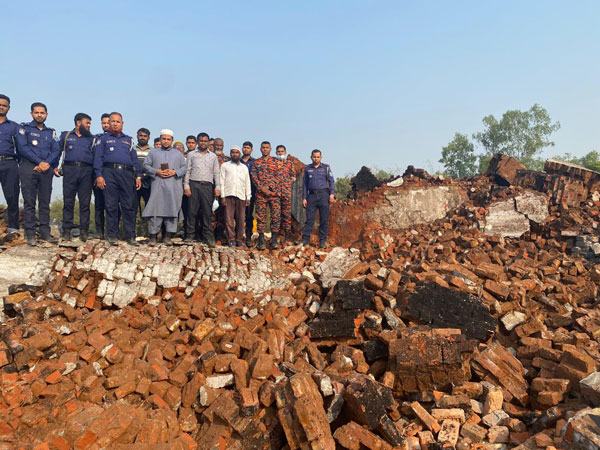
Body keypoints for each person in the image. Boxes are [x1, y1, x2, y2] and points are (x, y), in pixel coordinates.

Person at [16, 102, 61, 246]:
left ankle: (45, 233)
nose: (39, 115)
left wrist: (46, 163)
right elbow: (22, 148)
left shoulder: (51, 132)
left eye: (42, 113)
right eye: (36, 112)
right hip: (29, 167)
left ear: (46, 115)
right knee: (29, 202)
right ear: (31, 114)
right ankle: (30, 234)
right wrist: (38, 162)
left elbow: (56, 150)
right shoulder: (24, 128)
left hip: (46, 169)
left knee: (44, 202)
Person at [93, 112, 142, 246]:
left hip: (127, 175)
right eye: (112, 121)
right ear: (108, 123)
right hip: (109, 173)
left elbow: (135, 160)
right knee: (111, 205)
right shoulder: (102, 139)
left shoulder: (129, 140)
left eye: (118, 121)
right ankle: (112, 235)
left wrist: (138, 175)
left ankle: (130, 236)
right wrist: (99, 175)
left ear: (122, 123)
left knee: (128, 206)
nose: (115, 124)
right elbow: (98, 159)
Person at [142, 129, 187, 246]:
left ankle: (168, 236)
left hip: (173, 187)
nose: (166, 141)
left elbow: (184, 168)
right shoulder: (153, 153)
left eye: (168, 139)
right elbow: (146, 165)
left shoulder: (178, 154)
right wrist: (156, 171)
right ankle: (153, 237)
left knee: (172, 210)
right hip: (157, 186)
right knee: (155, 210)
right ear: (160, 139)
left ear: (172, 140)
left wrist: (174, 172)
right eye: (164, 139)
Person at [55, 113, 95, 242]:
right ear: (78, 123)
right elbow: (57, 152)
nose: (89, 125)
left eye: (89, 123)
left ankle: (84, 231)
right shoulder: (66, 136)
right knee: (68, 202)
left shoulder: (92, 139)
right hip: (70, 170)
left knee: (85, 204)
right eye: (87, 123)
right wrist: (54, 167)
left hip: (86, 171)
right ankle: (67, 230)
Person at [184, 132, 220, 247]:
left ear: (208, 142)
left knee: (207, 212)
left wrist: (218, 187)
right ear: (198, 142)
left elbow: (216, 173)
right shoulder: (191, 155)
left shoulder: (213, 156)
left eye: (205, 141)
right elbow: (187, 171)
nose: (203, 143)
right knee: (192, 211)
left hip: (207, 186)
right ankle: (190, 235)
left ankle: (208, 236)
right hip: (194, 184)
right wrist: (186, 186)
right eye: (201, 141)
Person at [301, 149, 335, 248]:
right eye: (314, 157)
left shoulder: (326, 168)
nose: (316, 158)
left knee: (324, 219)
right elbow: (305, 185)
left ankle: (322, 241)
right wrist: (304, 198)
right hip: (311, 196)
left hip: (323, 195)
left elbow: (331, 181)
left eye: (318, 157)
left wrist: (332, 194)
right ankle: (305, 240)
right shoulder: (307, 169)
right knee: (309, 219)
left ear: (321, 158)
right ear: (311, 157)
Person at [250, 141, 280, 250]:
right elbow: (253, 176)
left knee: (275, 216)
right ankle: (261, 239)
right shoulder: (256, 162)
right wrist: (262, 188)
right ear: (260, 149)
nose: (265, 149)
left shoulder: (276, 162)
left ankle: (274, 239)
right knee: (261, 216)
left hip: (273, 193)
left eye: (267, 147)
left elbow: (279, 176)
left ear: (270, 149)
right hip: (261, 194)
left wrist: (269, 187)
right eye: (263, 147)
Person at [220, 146, 251, 247]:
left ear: (239, 154)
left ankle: (239, 240)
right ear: (230, 154)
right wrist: (223, 196)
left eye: (237, 152)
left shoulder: (244, 167)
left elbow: (247, 182)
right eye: (233, 152)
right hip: (228, 195)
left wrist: (248, 197)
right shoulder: (225, 166)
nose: (235, 154)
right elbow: (221, 181)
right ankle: (231, 239)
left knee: (241, 219)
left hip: (241, 196)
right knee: (228, 219)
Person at [0, 94, 20, 239]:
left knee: (12, 195)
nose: (1, 107)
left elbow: (21, 148)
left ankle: (13, 227)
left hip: (9, 163)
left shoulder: (14, 127)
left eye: (4, 105)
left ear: (9, 108)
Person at [275, 145, 296, 244]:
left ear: (285, 152)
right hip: (275, 193)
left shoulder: (289, 163)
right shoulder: (273, 163)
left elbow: (293, 176)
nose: (280, 153)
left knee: (287, 215)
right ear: (276, 153)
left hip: (286, 193)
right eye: (278, 152)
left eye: (282, 151)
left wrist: (287, 183)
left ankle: (287, 236)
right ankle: (276, 236)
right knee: (276, 215)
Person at [94, 113, 110, 238]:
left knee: (113, 206)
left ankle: (113, 232)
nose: (105, 125)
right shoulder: (96, 139)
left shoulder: (122, 139)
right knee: (99, 205)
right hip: (98, 175)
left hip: (113, 176)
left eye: (108, 123)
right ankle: (99, 232)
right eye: (103, 123)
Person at [135, 128, 152, 222]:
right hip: (134, 182)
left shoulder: (153, 151)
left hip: (148, 183)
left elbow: (154, 166)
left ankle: (151, 233)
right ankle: (132, 233)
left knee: (149, 207)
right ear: (137, 136)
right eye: (141, 135)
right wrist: (137, 177)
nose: (143, 138)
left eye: (145, 136)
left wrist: (144, 176)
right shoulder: (132, 149)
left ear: (149, 138)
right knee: (133, 207)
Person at [241, 141, 256, 247]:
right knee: (238, 215)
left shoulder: (255, 162)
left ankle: (248, 236)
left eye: (248, 148)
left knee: (249, 215)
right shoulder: (238, 161)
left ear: (251, 150)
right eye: (244, 147)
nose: (246, 149)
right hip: (238, 190)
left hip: (251, 191)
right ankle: (238, 236)